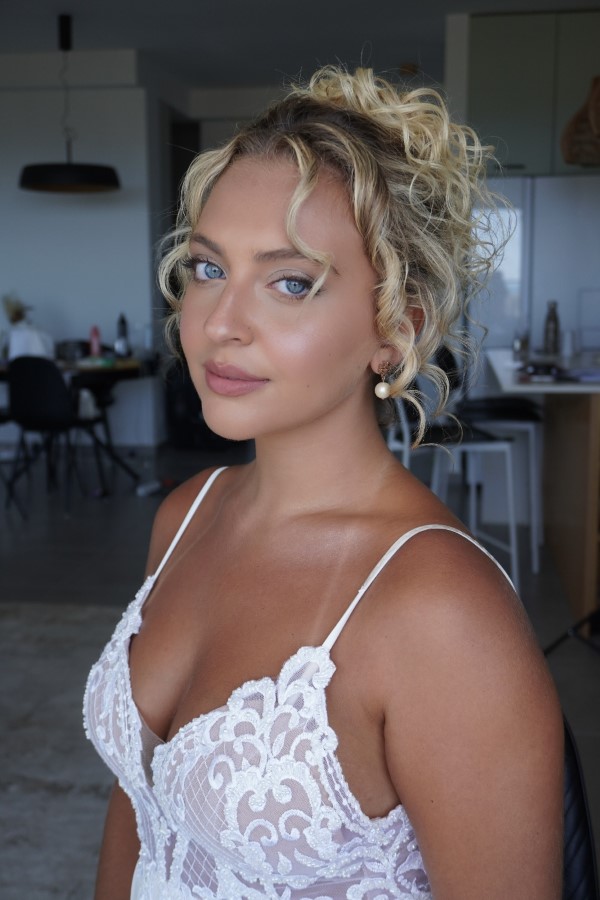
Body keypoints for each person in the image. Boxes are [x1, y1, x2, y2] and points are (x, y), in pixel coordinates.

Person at [84, 66, 564, 899]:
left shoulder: (442, 613)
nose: (220, 324)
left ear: (397, 328)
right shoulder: (187, 514)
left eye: (291, 282)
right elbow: (140, 807)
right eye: (207, 269)